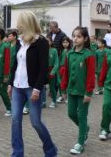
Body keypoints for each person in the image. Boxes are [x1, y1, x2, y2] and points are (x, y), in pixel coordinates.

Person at [8, 10, 58, 157]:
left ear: (28, 23)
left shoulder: (41, 42)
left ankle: (51, 150)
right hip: (17, 87)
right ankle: (17, 152)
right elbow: (15, 64)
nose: (18, 27)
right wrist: (10, 83)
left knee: (35, 122)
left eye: (21, 24)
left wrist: (37, 88)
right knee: (15, 120)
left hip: (32, 88)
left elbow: (44, 67)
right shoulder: (19, 41)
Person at [61, 26, 95, 154]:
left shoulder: (89, 55)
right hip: (71, 90)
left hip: (83, 92)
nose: (75, 39)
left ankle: (80, 143)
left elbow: (91, 75)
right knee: (71, 113)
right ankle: (85, 128)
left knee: (82, 116)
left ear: (85, 38)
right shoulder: (69, 53)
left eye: (78, 36)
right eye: (74, 36)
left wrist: (89, 92)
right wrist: (63, 89)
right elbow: (66, 73)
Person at [57, 36, 72, 103]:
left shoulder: (70, 51)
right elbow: (59, 60)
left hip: (67, 68)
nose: (65, 44)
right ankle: (62, 95)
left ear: (69, 43)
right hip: (61, 68)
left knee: (67, 82)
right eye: (63, 42)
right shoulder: (61, 51)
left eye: (66, 42)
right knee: (60, 82)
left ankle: (68, 97)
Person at [46, 36, 59, 109]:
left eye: (48, 41)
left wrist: (53, 71)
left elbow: (56, 63)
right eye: (46, 41)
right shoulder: (42, 50)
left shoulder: (54, 50)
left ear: (51, 42)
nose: (47, 42)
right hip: (43, 71)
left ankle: (54, 101)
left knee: (52, 87)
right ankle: (43, 102)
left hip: (51, 70)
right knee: (42, 87)